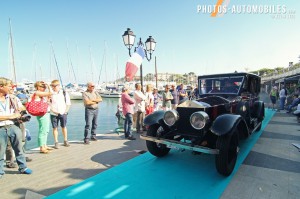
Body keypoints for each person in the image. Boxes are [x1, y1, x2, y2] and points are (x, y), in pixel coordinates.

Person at [0, 77, 32, 178]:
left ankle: (23, 167)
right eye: (9, 86)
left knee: (19, 148)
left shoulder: (13, 98)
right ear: (1, 86)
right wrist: (10, 116)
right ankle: (0, 172)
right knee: (0, 151)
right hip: (1, 128)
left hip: (13, 126)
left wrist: (21, 111)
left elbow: (21, 108)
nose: (12, 88)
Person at [49, 80, 71, 149]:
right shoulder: (50, 94)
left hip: (63, 112)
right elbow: (48, 104)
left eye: (54, 86)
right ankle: (56, 142)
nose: (53, 87)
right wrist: (53, 111)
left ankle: (65, 140)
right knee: (55, 128)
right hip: (53, 113)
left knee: (64, 126)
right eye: (52, 86)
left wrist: (65, 112)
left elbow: (68, 103)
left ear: (58, 85)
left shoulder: (64, 93)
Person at [33, 81, 52, 153]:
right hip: (42, 114)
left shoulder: (42, 94)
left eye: (44, 87)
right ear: (37, 87)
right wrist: (48, 85)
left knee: (46, 130)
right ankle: (41, 147)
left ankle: (44, 144)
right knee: (42, 130)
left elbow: (49, 96)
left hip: (46, 112)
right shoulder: (37, 93)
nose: (43, 88)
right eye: (41, 86)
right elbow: (50, 93)